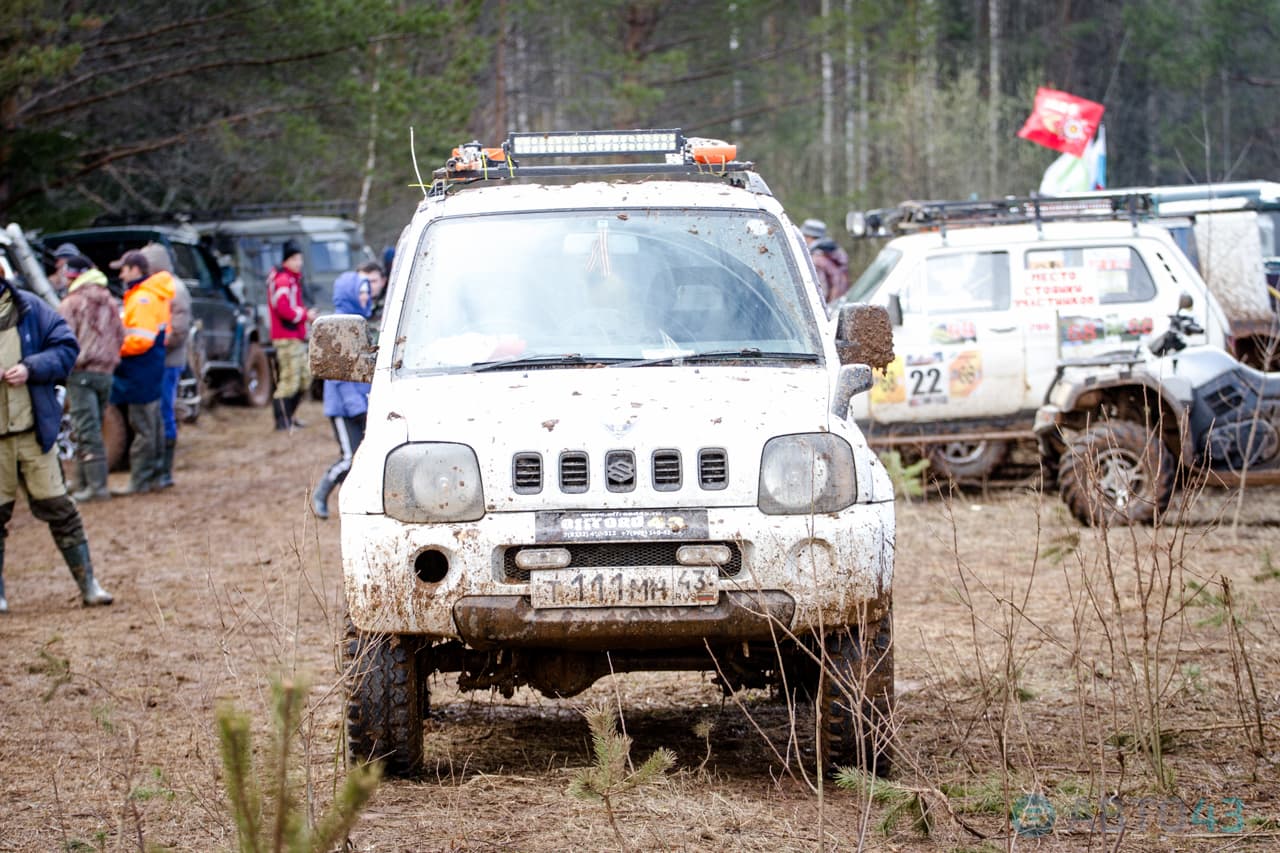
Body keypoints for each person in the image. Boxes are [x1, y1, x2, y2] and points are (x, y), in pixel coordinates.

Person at [0, 275, 112, 613]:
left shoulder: (30, 307)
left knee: (60, 510)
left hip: (34, 432)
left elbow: (66, 348)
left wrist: (31, 368)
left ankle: (88, 584)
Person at [312, 261, 386, 519]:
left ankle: (352, 502)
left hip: (363, 404)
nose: (366, 295)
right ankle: (321, 493)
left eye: (367, 290)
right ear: (350, 294)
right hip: (344, 408)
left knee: (362, 458)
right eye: (362, 291)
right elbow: (339, 377)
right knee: (349, 457)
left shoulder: (362, 323)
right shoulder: (337, 326)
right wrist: (355, 407)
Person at [57, 254, 125, 502]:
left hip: (81, 371)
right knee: (93, 425)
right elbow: (120, 334)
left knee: (85, 428)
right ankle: (82, 481)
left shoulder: (71, 303)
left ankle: (96, 487)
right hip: (106, 372)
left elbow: (63, 340)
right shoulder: (109, 300)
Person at [110, 249, 173, 494]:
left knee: (144, 425)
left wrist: (115, 349)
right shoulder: (154, 294)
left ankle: (141, 480)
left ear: (135, 269)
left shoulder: (143, 298)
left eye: (123, 270)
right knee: (152, 422)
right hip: (151, 365)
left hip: (140, 367)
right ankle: (155, 474)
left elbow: (140, 339)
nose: (121, 275)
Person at [139, 243, 190, 489]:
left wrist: (155, 345)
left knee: (165, 411)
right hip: (159, 360)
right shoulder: (160, 286)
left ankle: (165, 470)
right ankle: (158, 467)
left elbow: (178, 328)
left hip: (168, 361)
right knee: (160, 411)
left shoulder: (174, 288)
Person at [269, 240, 314, 431]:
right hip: (285, 337)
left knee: (304, 377)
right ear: (287, 259)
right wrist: (305, 315)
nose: (299, 263)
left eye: (300, 259)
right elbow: (283, 308)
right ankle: (282, 422)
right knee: (289, 379)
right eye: (295, 258)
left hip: (295, 336)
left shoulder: (293, 279)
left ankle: (290, 416)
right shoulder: (283, 281)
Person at [801, 218, 850, 304]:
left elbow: (821, 293)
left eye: (803, 236)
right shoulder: (834, 255)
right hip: (839, 306)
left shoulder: (816, 260)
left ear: (809, 236)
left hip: (827, 310)